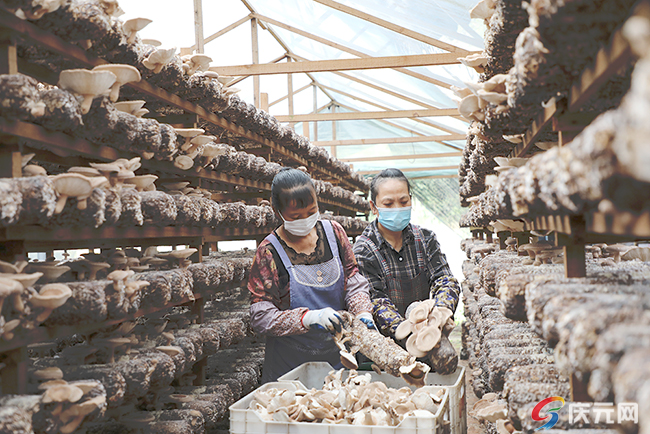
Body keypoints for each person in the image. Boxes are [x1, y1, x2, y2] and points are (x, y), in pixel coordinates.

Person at [248, 168, 377, 383]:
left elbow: (353, 281)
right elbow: (261, 316)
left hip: (339, 358)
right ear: (277, 210)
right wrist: (308, 318)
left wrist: (362, 311)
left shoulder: (334, 233)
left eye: (311, 211)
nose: (306, 220)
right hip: (290, 366)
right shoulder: (268, 253)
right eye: (296, 217)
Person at [353, 168, 460, 340]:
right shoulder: (363, 251)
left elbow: (445, 280)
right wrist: (407, 330)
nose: (397, 209)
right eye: (388, 204)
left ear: (411, 200)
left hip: (428, 335)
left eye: (403, 202)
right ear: (374, 207)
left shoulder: (425, 239)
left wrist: (439, 314)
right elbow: (377, 302)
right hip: (387, 344)